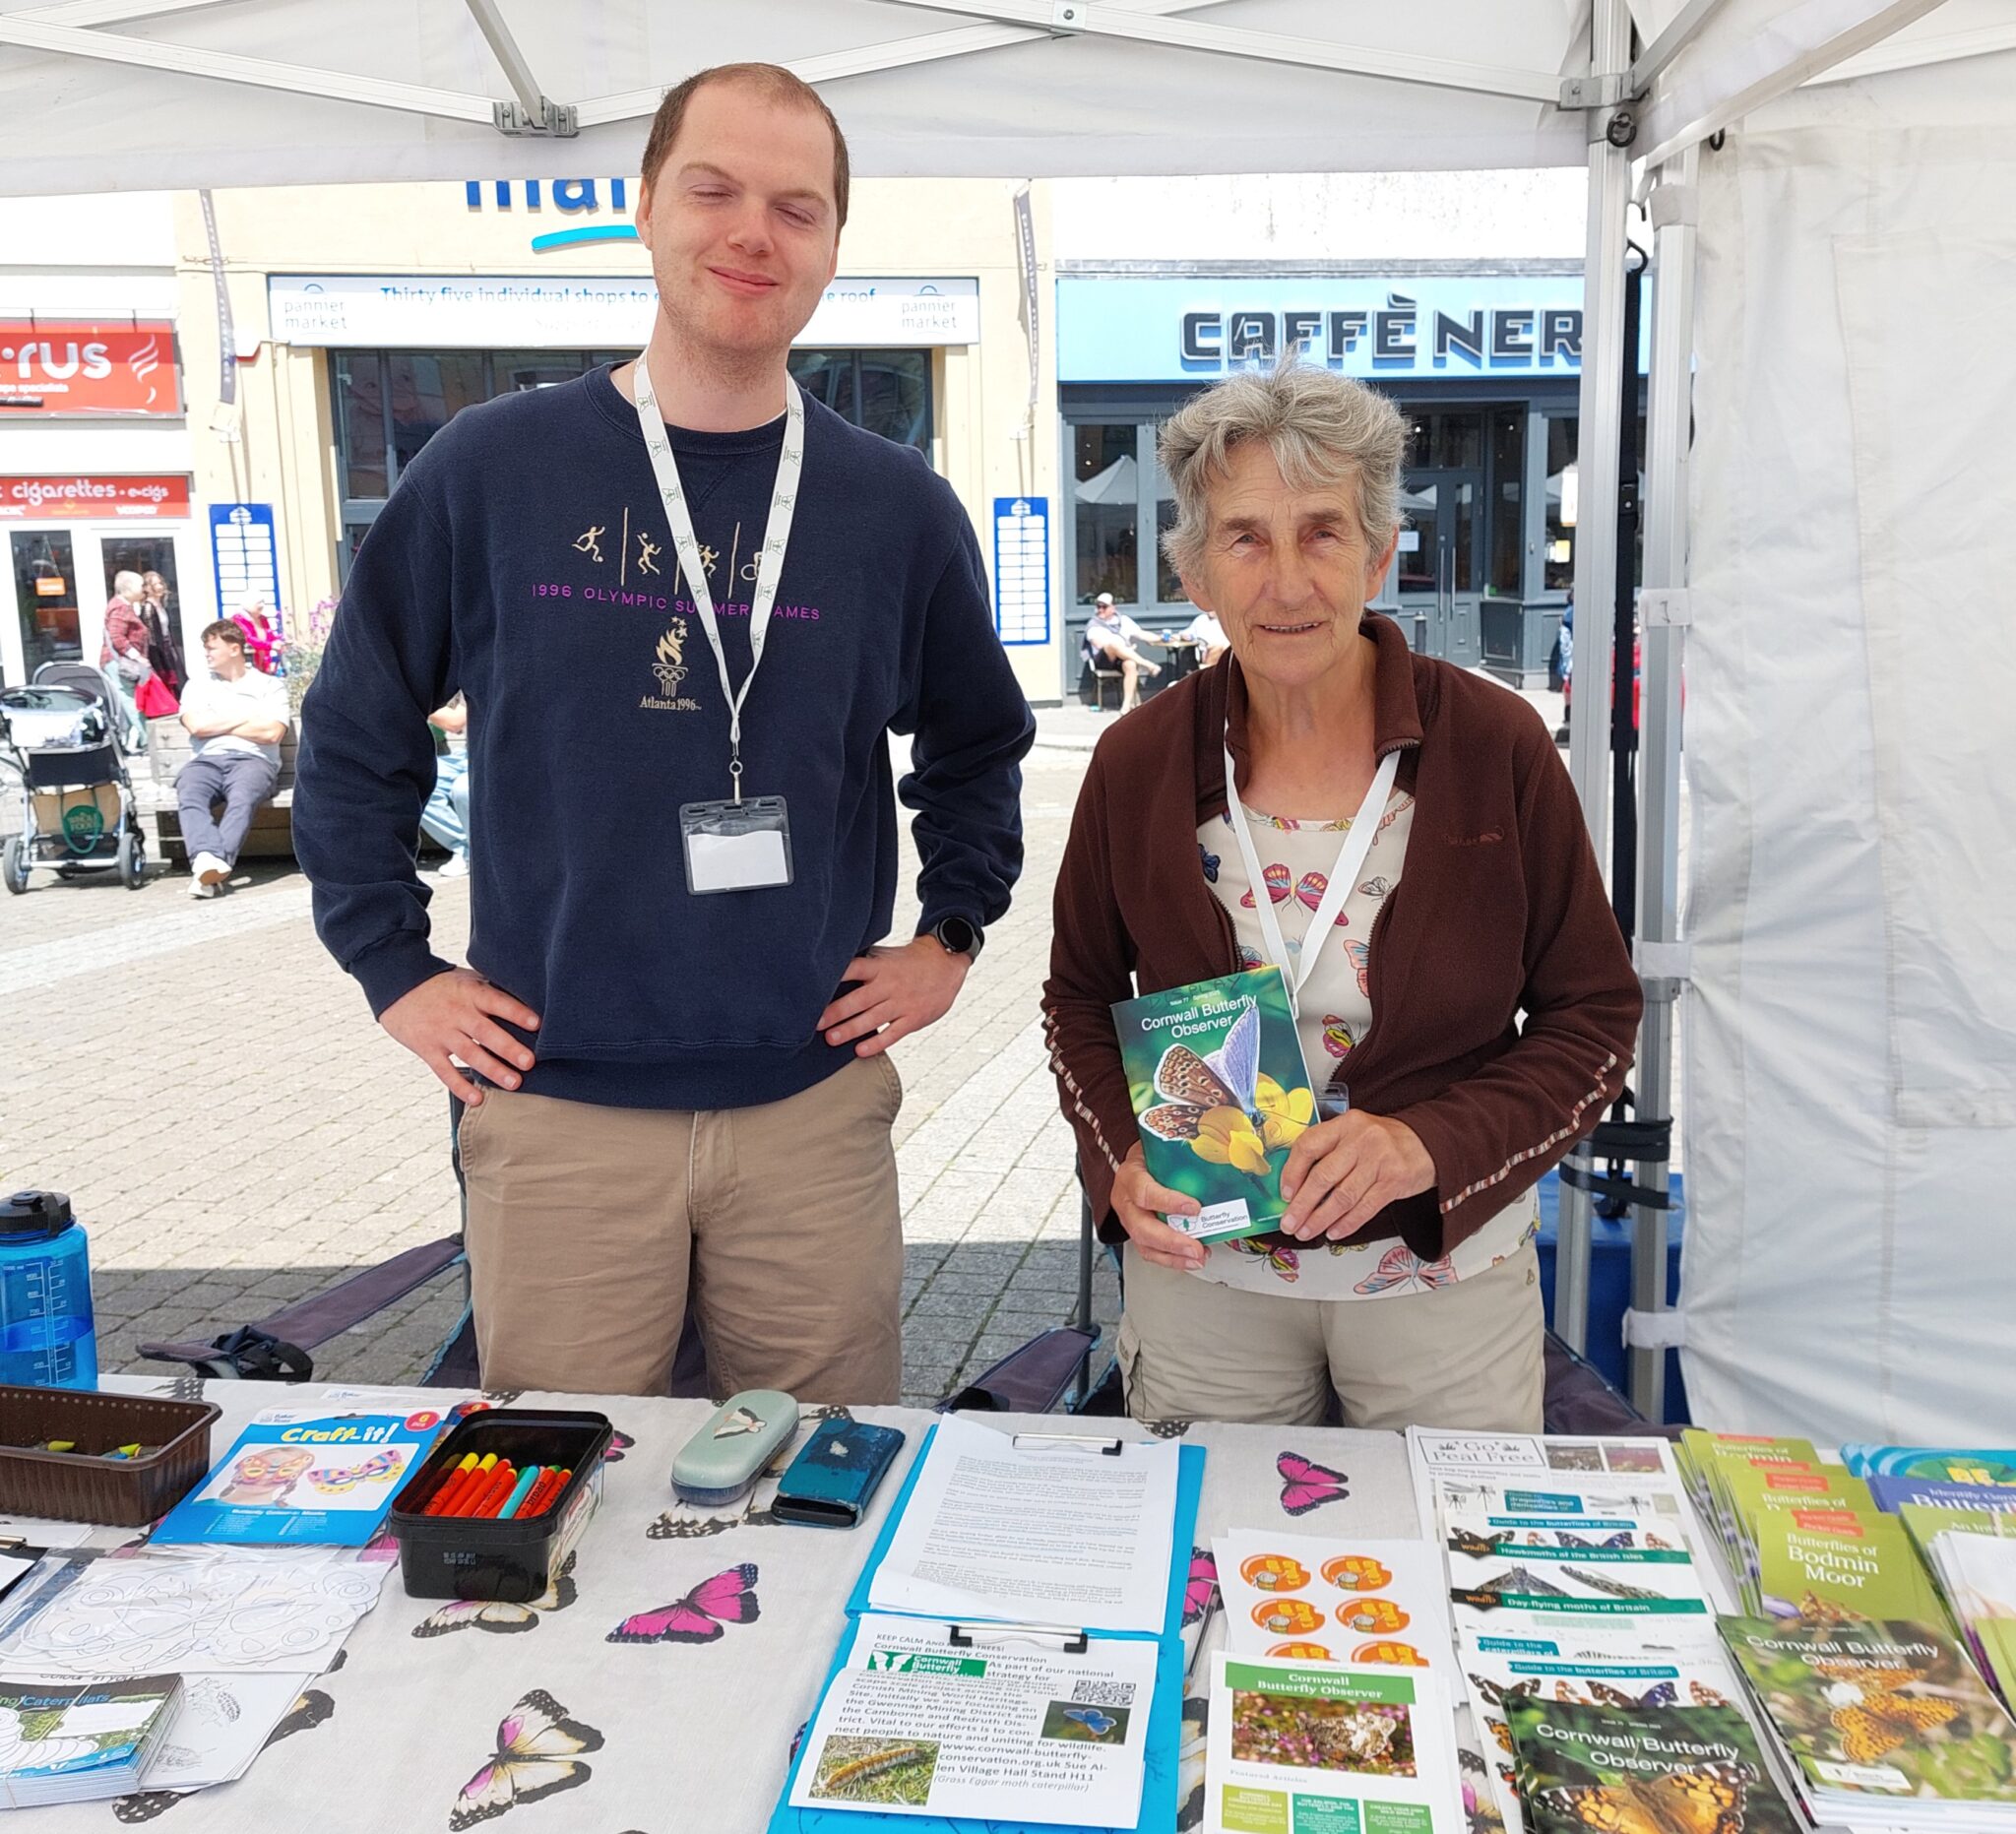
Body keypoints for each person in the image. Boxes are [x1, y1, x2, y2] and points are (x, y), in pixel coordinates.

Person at [295, 61, 1035, 1404]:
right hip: (558, 1113)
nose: (754, 234)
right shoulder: (492, 470)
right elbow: (353, 732)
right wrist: (392, 967)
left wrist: (951, 935)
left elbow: (977, 747)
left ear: (833, 245)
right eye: (713, 191)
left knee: (819, 1479)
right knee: (569, 1484)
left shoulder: (893, 508)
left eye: (797, 208)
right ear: (643, 207)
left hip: (809, 1109)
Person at [1041, 361, 1642, 1431]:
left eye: (1320, 533)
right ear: (1194, 572)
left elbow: (1593, 1019)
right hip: (1208, 1280)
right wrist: (1120, 1157)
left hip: (1440, 1281)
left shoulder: (1493, 746)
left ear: (1377, 553)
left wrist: (1429, 1143)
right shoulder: (1138, 762)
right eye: (1245, 538)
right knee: (1217, 1534)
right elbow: (1077, 999)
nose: (1285, 583)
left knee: (1445, 1534)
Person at [177, 620, 291, 896]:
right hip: (207, 761)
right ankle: (209, 864)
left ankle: (209, 865)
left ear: (234, 648)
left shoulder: (269, 685)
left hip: (253, 761)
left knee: (242, 797)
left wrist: (216, 722)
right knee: (190, 792)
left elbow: (272, 733)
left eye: (212, 648)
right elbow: (196, 726)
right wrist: (246, 716)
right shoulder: (197, 686)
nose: (206, 654)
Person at [98, 571, 153, 750]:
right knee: (130, 701)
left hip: (121, 661)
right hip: (119, 662)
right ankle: (147, 739)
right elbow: (117, 637)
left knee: (129, 700)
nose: (144, 589)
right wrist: (138, 657)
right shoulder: (120, 607)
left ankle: (128, 743)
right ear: (129, 587)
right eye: (141, 585)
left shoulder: (124, 606)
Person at [419, 695, 472, 878]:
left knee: (463, 789)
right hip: (463, 755)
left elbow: (454, 722)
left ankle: (475, 851)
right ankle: (465, 848)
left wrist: (410, 698)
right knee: (418, 781)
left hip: (485, 756)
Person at [1085, 591, 1164, 711]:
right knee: (1112, 644)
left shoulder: (1123, 620)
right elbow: (1099, 644)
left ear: (1112, 608)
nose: (1100, 610)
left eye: (1104, 607)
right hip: (1104, 659)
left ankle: (1126, 706)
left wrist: (1161, 637)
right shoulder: (1093, 624)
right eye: (1098, 606)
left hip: (1122, 658)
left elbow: (1142, 634)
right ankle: (1148, 664)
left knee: (1130, 664)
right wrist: (1124, 648)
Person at [140, 570, 186, 697]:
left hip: (167, 647)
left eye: (160, 583)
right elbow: (151, 637)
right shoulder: (148, 607)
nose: (160, 587)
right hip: (159, 652)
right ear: (147, 588)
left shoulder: (159, 605)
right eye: (155, 584)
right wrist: (159, 657)